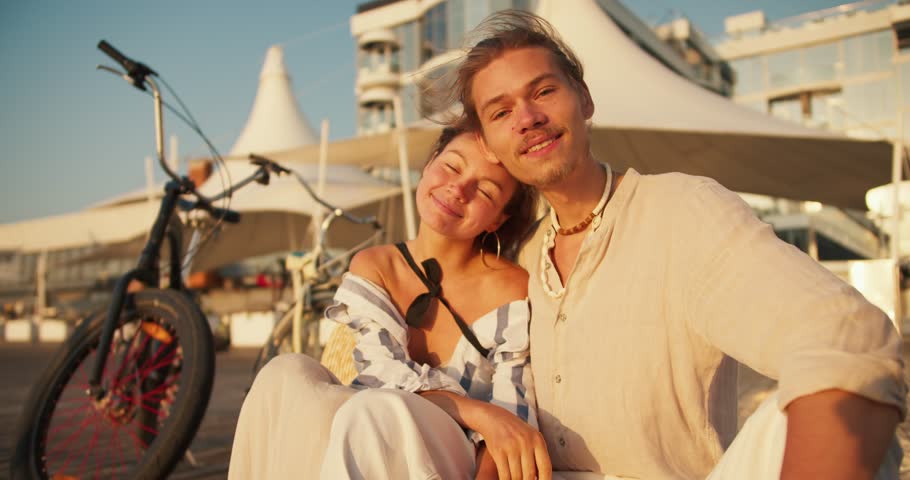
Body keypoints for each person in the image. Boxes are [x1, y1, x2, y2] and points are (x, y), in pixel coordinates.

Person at [437, 10, 904, 480]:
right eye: (501, 112)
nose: (528, 119)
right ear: (490, 144)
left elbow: (846, 337)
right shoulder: (516, 262)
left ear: (584, 98)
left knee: (813, 404)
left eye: (543, 92)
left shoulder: (682, 213)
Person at [228, 127, 550, 479]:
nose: (458, 189)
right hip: (366, 440)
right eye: (452, 167)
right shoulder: (376, 265)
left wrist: (482, 428)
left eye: (485, 190)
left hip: (454, 454)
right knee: (284, 372)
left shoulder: (508, 285)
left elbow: (512, 420)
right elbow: (381, 371)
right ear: (427, 167)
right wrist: (475, 411)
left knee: (374, 408)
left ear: (498, 219)